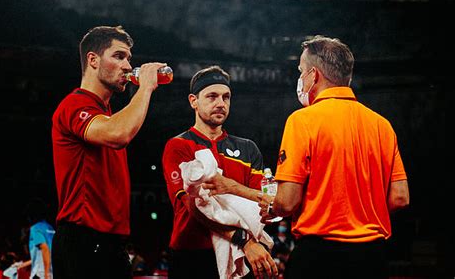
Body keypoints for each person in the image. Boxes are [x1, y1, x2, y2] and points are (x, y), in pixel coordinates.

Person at [259, 35, 410, 279]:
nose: (300, 78)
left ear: (314, 75)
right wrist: (361, 214)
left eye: (301, 71)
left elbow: (287, 202)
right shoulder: (382, 125)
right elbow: (400, 198)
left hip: (319, 257)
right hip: (372, 258)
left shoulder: (302, 120)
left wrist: (272, 207)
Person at [51, 25, 166, 279]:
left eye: (129, 59)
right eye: (118, 56)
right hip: (84, 240)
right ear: (92, 60)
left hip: (109, 245)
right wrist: (145, 88)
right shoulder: (75, 104)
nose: (127, 66)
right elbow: (118, 134)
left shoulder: (108, 114)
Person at [162, 66, 278, 279]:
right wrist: (243, 240)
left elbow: (262, 205)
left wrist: (232, 187)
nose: (221, 103)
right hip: (193, 254)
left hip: (244, 254)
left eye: (226, 97)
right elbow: (193, 207)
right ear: (193, 101)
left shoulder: (248, 149)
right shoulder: (178, 146)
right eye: (212, 96)